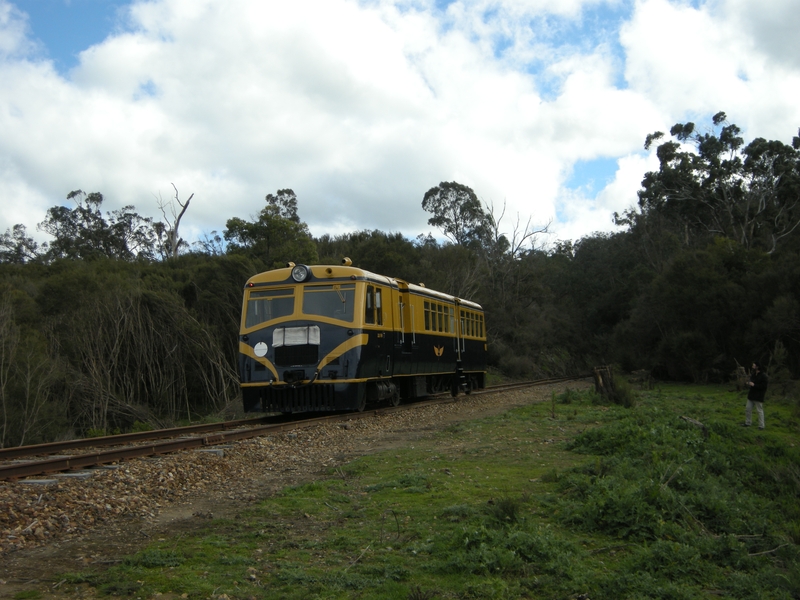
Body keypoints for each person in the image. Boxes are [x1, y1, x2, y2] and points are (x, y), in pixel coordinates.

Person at [744, 361, 768, 429]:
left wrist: (754, 385)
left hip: (759, 396)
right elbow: (751, 381)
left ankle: (761, 425)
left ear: (757, 367)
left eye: (754, 366)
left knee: (759, 411)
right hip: (751, 395)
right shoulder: (753, 374)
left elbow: (764, 386)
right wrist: (749, 383)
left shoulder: (763, 376)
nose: (752, 367)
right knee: (748, 409)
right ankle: (748, 423)